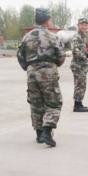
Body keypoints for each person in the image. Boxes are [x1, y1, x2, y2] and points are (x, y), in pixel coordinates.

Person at [17, 8, 66, 147]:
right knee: (53, 102)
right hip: (47, 71)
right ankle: (47, 129)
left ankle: (39, 133)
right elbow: (61, 56)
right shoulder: (53, 37)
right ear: (47, 21)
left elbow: (20, 56)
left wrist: (28, 67)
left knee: (36, 103)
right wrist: (52, 65)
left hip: (31, 72)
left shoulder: (27, 36)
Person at [70, 18, 88, 112]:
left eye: (85, 25)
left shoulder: (83, 36)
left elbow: (82, 49)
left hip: (82, 65)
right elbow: (75, 51)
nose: (84, 27)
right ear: (78, 25)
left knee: (82, 85)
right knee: (79, 85)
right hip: (78, 65)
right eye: (82, 25)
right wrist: (84, 57)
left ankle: (79, 103)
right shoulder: (76, 36)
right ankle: (77, 105)